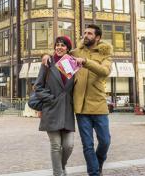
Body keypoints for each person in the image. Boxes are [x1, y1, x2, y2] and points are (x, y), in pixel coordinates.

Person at [46, 24, 112, 176]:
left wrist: (86, 62)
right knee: (87, 145)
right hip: (80, 107)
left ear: (97, 37)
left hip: (99, 104)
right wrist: (46, 56)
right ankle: (94, 173)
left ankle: (99, 162)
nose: (85, 35)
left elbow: (104, 71)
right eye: (85, 33)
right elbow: (59, 53)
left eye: (89, 33)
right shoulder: (75, 52)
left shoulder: (105, 55)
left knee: (105, 141)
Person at [34, 36, 76, 176]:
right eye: (57, 45)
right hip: (51, 109)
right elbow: (38, 87)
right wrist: (51, 99)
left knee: (68, 145)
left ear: (68, 48)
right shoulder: (48, 62)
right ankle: (58, 173)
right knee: (56, 145)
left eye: (63, 45)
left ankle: (61, 167)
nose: (59, 47)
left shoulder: (72, 63)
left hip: (67, 110)